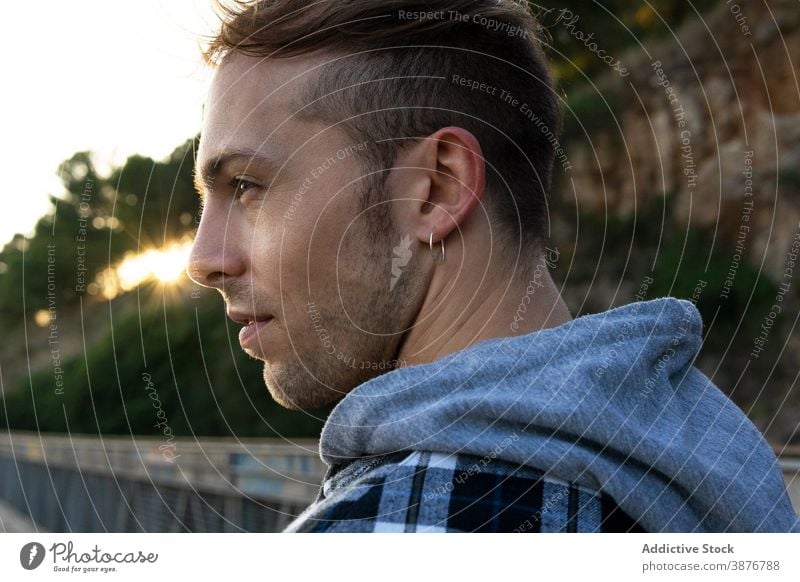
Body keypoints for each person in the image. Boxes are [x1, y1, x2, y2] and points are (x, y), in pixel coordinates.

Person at [187, 0, 800, 532]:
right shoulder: (725, 468)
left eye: (247, 186)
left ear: (436, 188)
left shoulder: (397, 530)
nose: (203, 260)